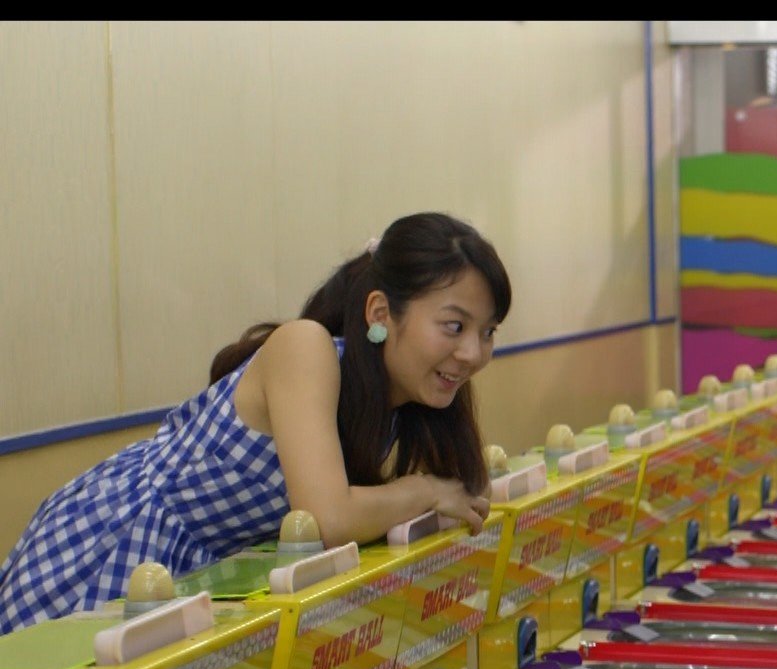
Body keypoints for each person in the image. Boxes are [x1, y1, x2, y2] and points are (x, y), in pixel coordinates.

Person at [0, 211, 506, 634]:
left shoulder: (408, 402)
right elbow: (329, 518)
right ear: (380, 312)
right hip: (119, 543)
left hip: (205, 578)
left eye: (487, 332)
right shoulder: (306, 348)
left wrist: (438, 492)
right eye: (454, 326)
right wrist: (424, 490)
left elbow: (466, 495)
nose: (472, 353)